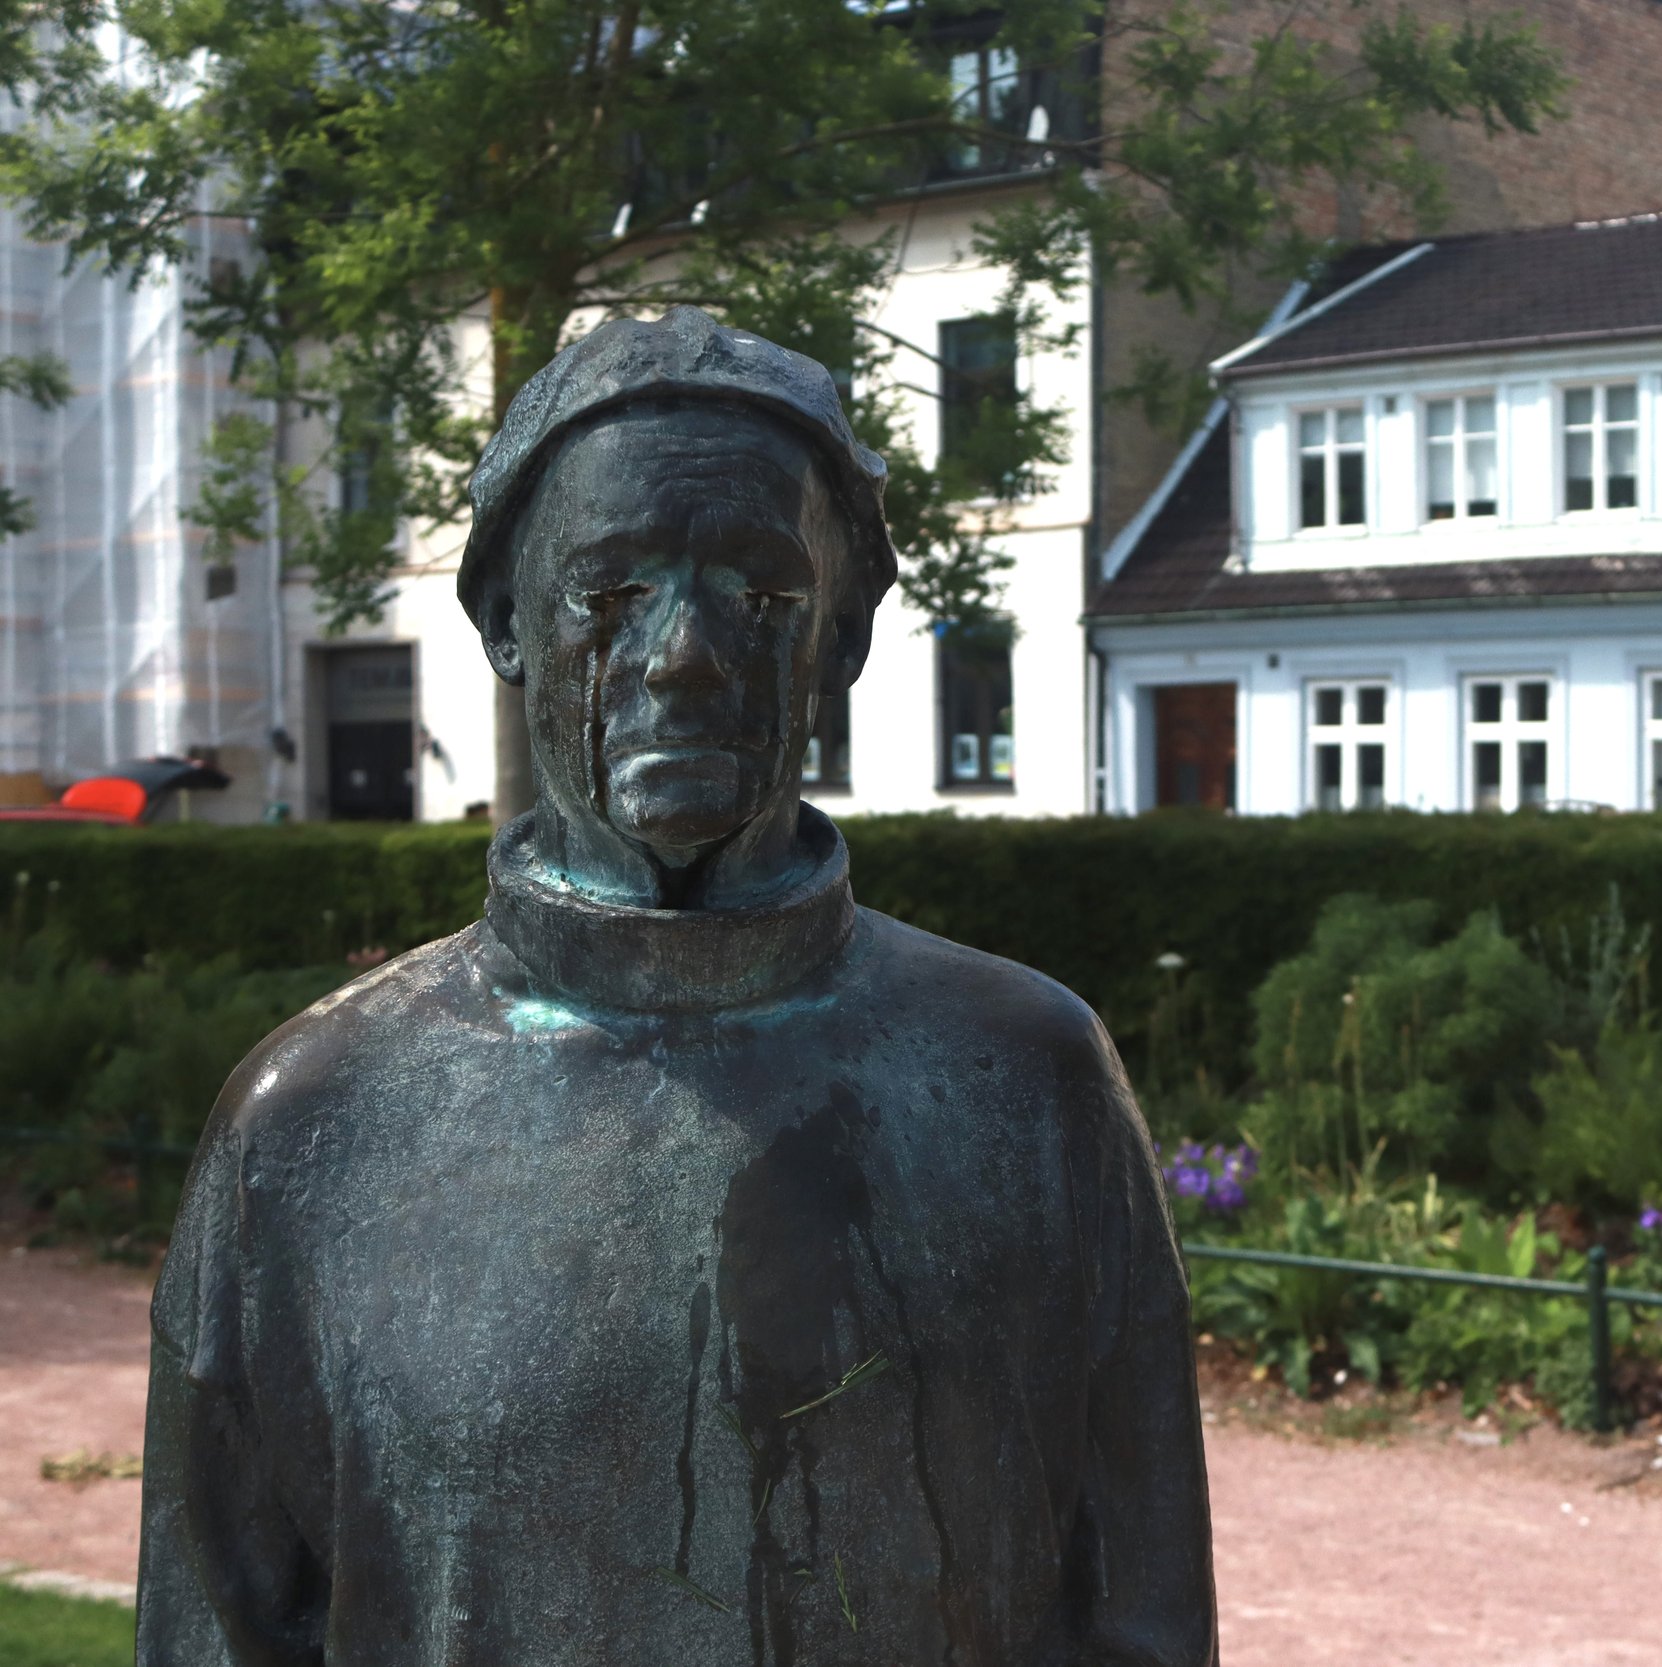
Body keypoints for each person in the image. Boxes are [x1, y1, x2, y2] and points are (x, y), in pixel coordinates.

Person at [136, 308, 1217, 1665]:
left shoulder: (1029, 1081)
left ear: (841, 638)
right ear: (505, 624)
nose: (684, 653)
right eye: (610, 590)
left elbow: (1141, 1618)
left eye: (760, 593)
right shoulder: (309, 1125)